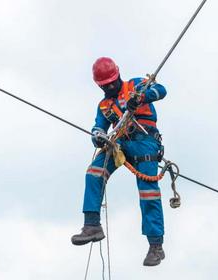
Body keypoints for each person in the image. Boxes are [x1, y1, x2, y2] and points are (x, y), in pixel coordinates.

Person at [71, 57, 168, 266]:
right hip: (120, 143)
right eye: (106, 86)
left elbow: (161, 90)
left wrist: (142, 98)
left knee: (148, 192)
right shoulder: (105, 105)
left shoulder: (135, 85)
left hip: (145, 141)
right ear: (100, 85)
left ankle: (155, 246)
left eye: (112, 83)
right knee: (94, 172)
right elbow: (98, 127)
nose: (110, 87)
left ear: (118, 75)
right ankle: (92, 225)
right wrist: (97, 136)